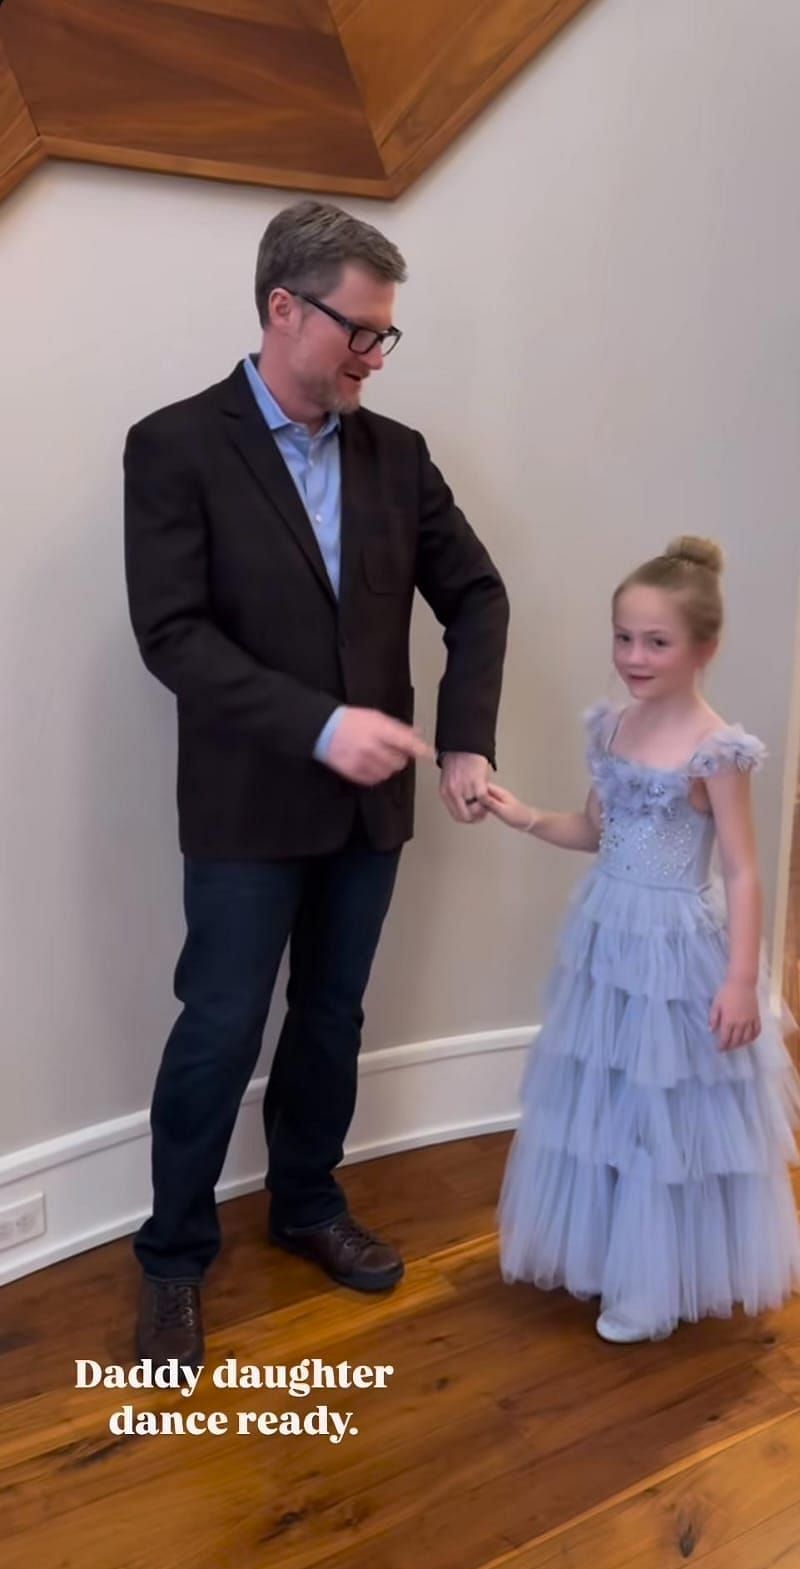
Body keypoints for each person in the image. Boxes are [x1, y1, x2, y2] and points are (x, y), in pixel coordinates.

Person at [124, 198, 509, 1366]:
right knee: (220, 1027)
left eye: (386, 336)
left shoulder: (397, 454)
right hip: (245, 808)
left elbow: (476, 594)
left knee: (332, 1019)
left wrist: (463, 737)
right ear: (281, 308)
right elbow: (173, 634)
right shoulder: (174, 444)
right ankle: (174, 1255)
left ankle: (305, 1206)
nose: (373, 355)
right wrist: (319, 723)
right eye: (359, 330)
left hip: (369, 811)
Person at [484, 537, 800, 1343]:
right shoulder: (614, 728)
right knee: (602, 1099)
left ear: (705, 646)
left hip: (676, 951)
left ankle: (651, 1280)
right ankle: (603, 1250)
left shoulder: (716, 750)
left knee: (664, 1114)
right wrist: (523, 813)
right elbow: (594, 827)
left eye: (655, 641)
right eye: (623, 636)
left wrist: (742, 980)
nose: (633, 655)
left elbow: (739, 871)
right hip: (605, 939)